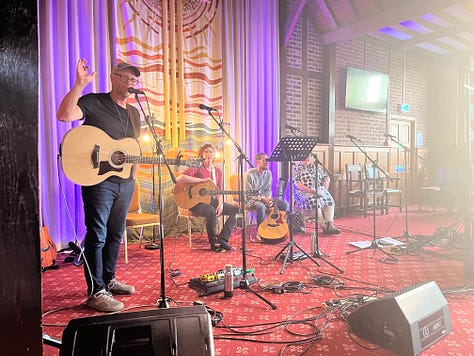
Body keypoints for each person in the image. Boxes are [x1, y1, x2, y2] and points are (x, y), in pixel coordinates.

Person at [57, 59, 141, 312]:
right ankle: (96, 291)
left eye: (133, 80)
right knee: (98, 234)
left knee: (116, 234)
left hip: (124, 181)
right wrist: (79, 85)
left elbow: (134, 147)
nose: (129, 83)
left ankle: (108, 278)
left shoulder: (135, 113)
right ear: (113, 78)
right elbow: (64, 115)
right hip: (98, 179)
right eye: (124, 78)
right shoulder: (94, 101)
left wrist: (133, 175)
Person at [176, 144, 239, 252]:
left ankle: (223, 239)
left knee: (236, 210)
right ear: (202, 154)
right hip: (194, 203)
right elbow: (180, 178)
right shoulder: (197, 166)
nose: (208, 154)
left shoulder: (217, 171)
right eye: (206, 152)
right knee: (210, 210)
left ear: (214, 155)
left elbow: (218, 190)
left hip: (208, 201)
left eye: (211, 152)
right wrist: (203, 180)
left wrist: (220, 203)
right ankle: (213, 243)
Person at [293, 154, 340, 234]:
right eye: (304, 157)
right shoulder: (297, 169)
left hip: (319, 190)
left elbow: (325, 176)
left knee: (329, 200)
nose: (307, 158)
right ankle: (325, 226)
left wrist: (326, 181)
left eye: (308, 156)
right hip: (305, 192)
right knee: (314, 202)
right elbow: (296, 184)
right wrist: (310, 190)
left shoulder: (315, 167)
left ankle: (330, 223)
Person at [244, 152, 289, 227]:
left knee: (284, 204)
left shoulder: (268, 173)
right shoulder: (249, 174)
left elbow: (268, 190)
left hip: (264, 199)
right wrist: (262, 199)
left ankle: (278, 226)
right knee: (261, 206)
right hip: (250, 200)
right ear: (257, 161)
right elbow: (248, 195)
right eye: (264, 160)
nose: (267, 162)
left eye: (268, 160)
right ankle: (260, 231)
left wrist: (268, 200)